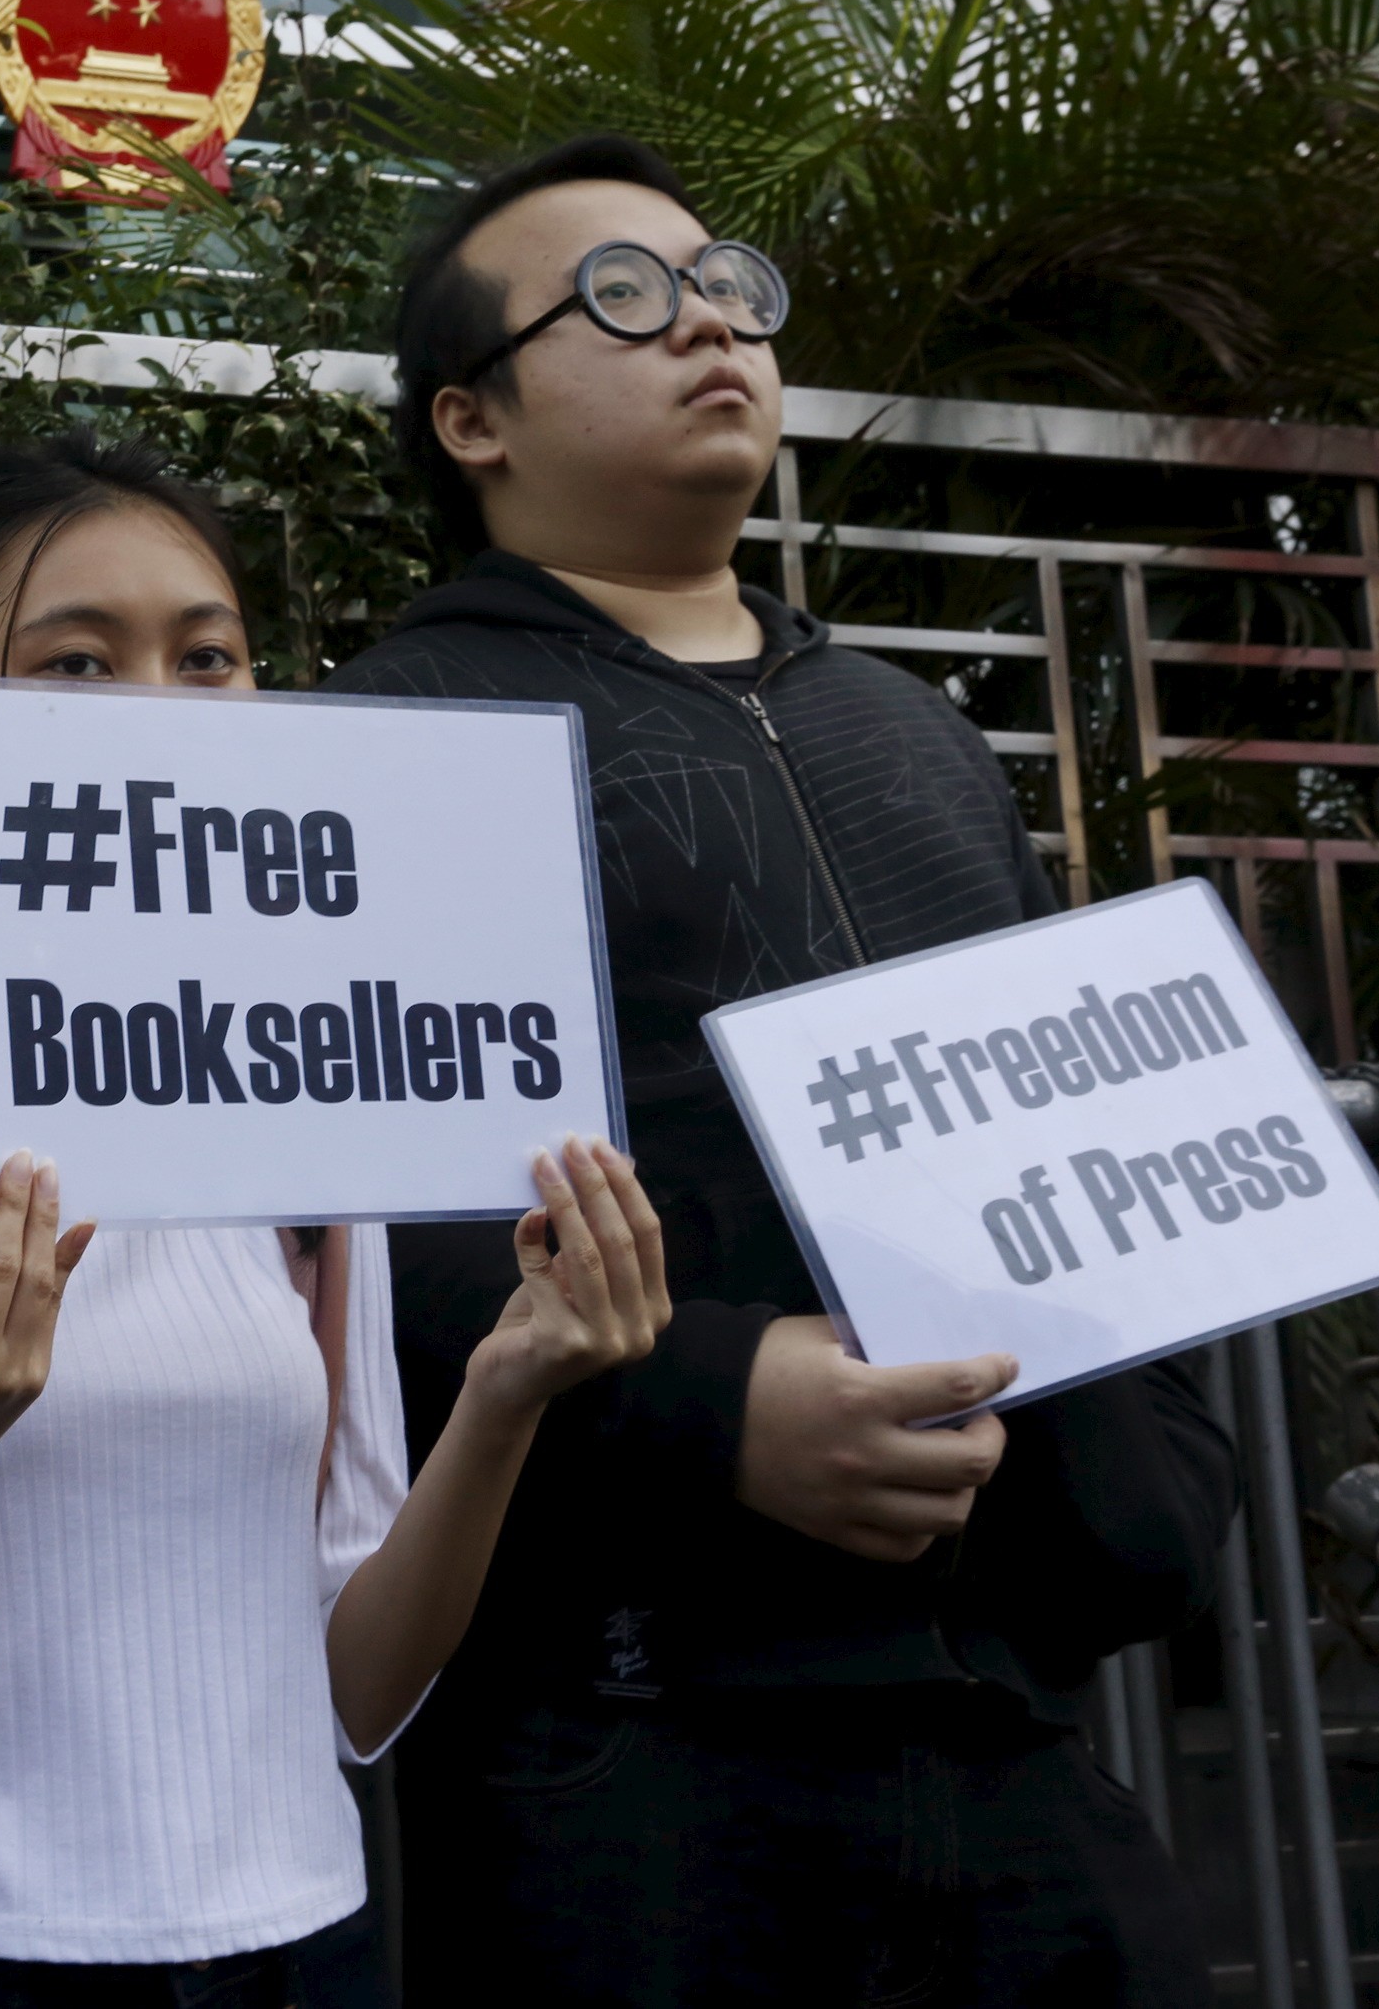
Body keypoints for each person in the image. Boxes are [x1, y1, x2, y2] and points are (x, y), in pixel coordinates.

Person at [326, 134, 1236, 2007]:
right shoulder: (395, 739)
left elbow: (1079, 1127)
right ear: (470, 421)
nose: (709, 325)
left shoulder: (911, 727)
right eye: (628, 300)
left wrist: (1167, 1459)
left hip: (1016, 1725)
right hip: (637, 1735)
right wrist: (720, 1399)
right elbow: (354, 1244)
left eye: (728, 285)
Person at [0, 434, 674, 2009]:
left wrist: (509, 1396)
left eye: (210, 659)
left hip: (306, 1951)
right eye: (77, 663)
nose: (160, 716)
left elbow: (357, 1691)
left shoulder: (322, 1135)